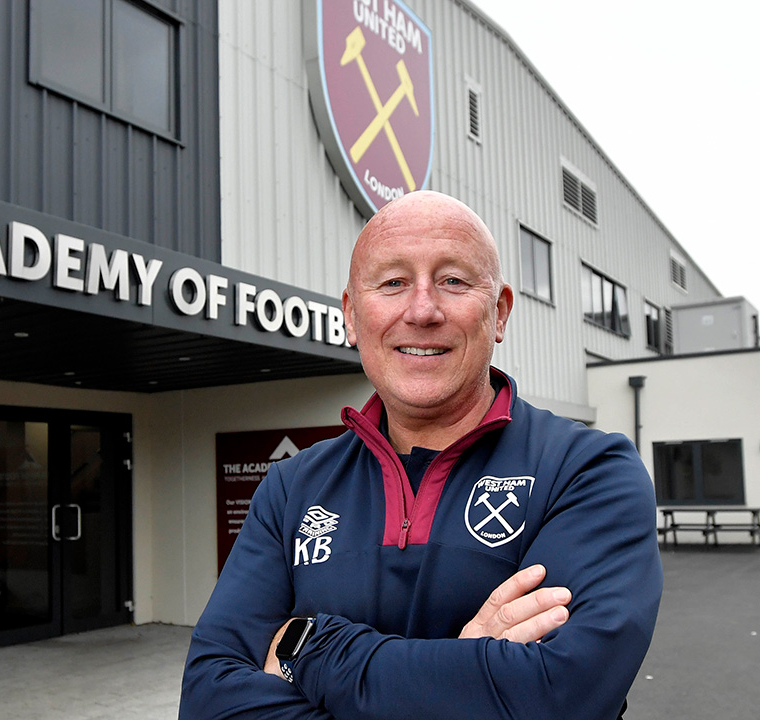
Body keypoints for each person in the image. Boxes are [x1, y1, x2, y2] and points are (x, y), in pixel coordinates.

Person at [178, 191, 662, 719]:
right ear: (352, 315)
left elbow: (555, 700)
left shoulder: (587, 472)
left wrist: (312, 648)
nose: (423, 309)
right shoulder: (291, 489)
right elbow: (209, 700)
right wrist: (469, 670)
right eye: (392, 283)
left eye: (453, 281)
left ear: (498, 313)